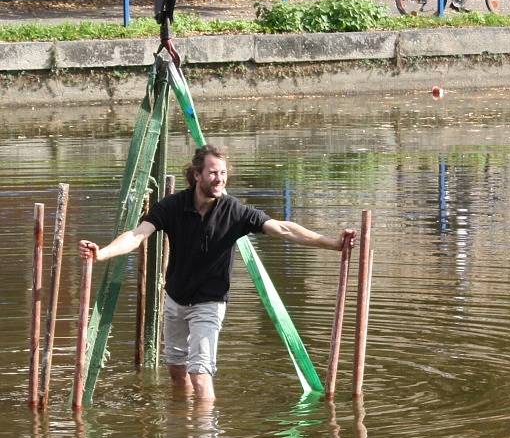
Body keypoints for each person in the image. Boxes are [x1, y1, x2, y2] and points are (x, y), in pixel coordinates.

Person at [79, 144, 356, 401]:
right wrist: (101, 253)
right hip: (176, 298)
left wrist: (332, 244)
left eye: (223, 173)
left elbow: (283, 228)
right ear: (197, 174)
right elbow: (137, 235)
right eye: (213, 173)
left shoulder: (234, 211)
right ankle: (184, 427)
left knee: (200, 373)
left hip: (210, 302)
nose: (219, 179)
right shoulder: (174, 206)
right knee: (176, 372)